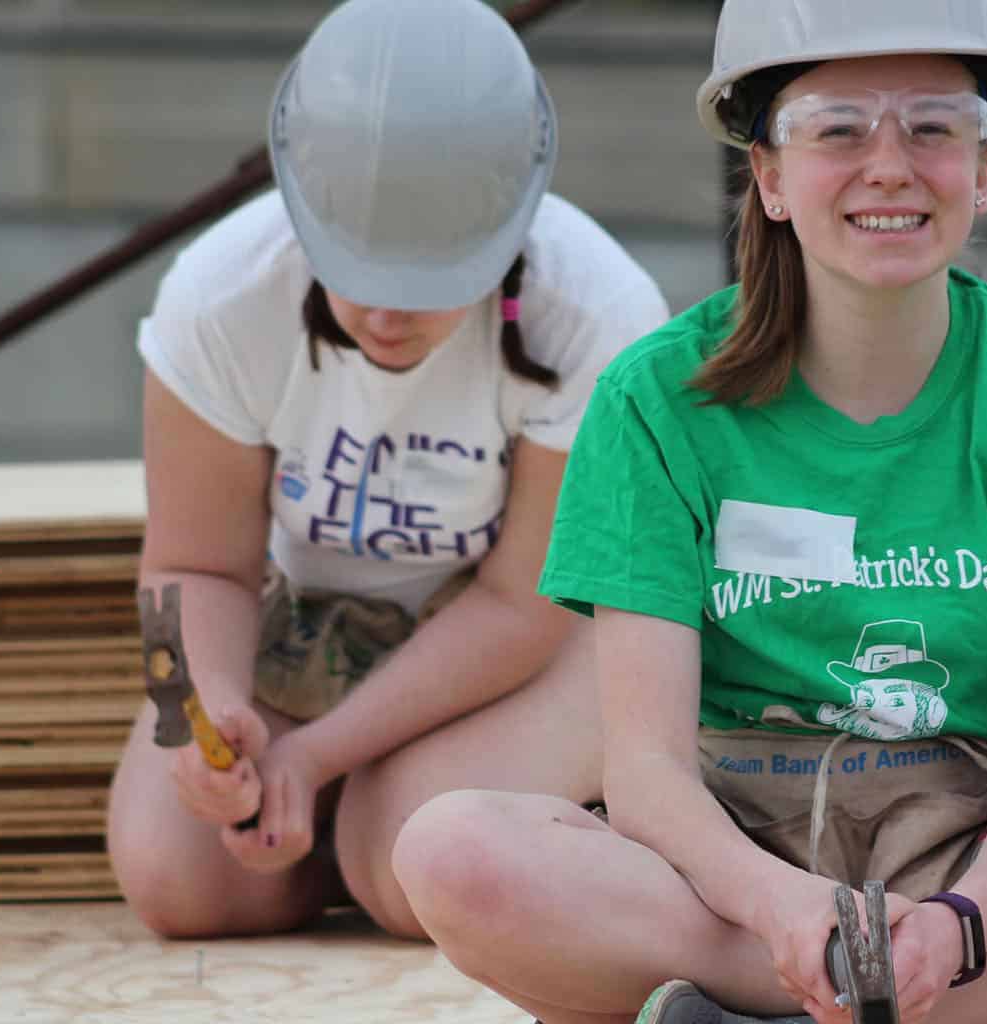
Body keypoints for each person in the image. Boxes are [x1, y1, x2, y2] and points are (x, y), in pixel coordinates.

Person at [390, 0, 987, 1021]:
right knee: (451, 848)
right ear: (769, 177)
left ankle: (872, 1002)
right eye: (838, 127)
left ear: (983, 171)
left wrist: (961, 921)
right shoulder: (656, 397)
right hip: (741, 878)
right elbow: (645, 775)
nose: (891, 165)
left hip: (986, 857)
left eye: (934, 125)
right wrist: (788, 917)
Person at [106, 0, 670, 940]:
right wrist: (213, 718)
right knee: (183, 883)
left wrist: (317, 757)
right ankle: (371, 809)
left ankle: (434, 809)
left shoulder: (598, 312)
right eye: (355, 268)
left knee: (408, 868)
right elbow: (189, 569)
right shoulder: (219, 296)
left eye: (437, 277)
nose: (386, 317)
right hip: (318, 623)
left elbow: (520, 605)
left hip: (544, 639)